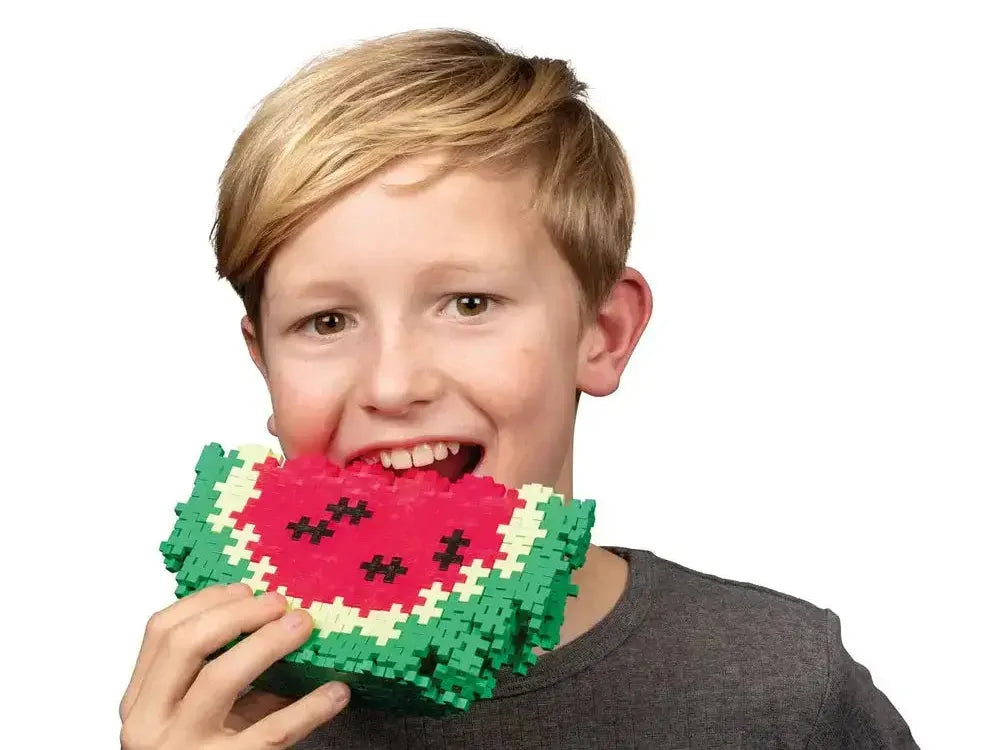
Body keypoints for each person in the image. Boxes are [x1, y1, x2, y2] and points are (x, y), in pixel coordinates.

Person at [118, 27, 920, 750]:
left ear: (602, 335)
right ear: (264, 363)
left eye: (469, 305)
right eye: (326, 322)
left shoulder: (781, 688)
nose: (392, 384)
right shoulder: (212, 711)